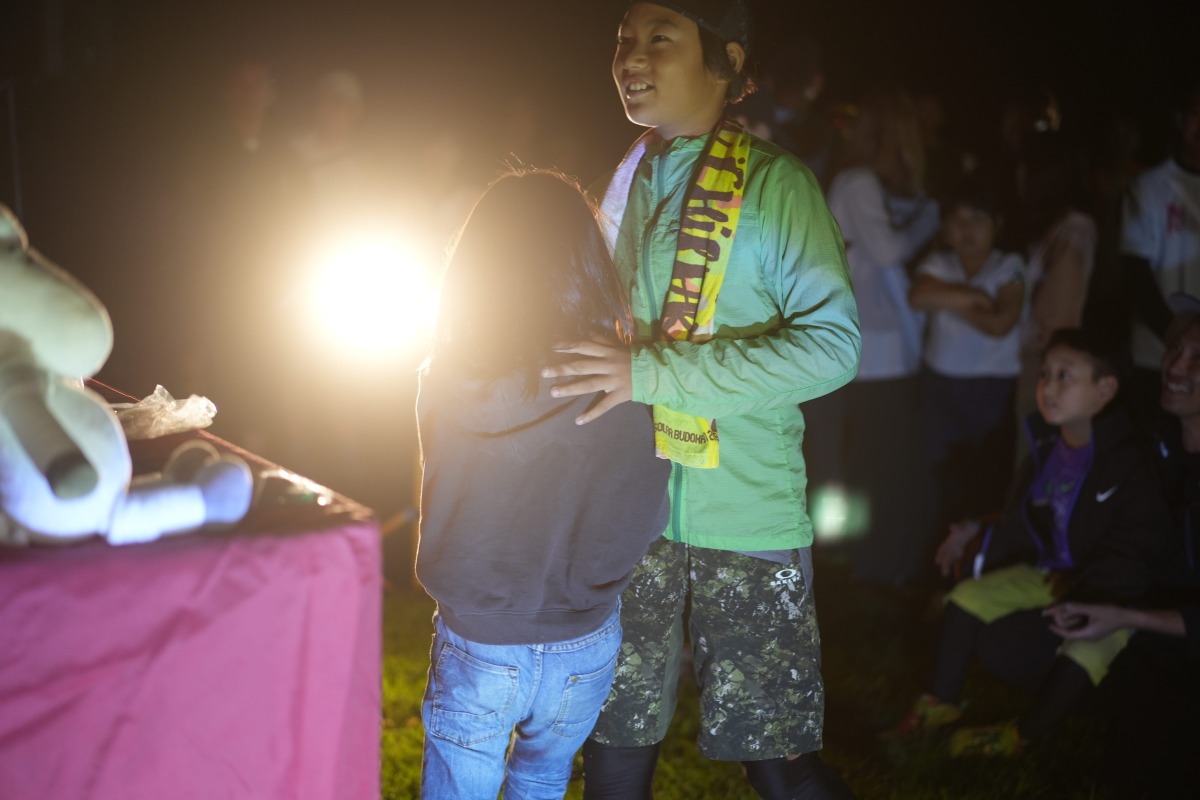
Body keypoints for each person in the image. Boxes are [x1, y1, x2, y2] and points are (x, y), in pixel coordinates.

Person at [541, 2, 861, 797]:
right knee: (612, 747)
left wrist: (650, 374)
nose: (630, 56)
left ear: (728, 60)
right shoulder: (620, 186)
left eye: (659, 38)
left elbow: (833, 346)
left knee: (777, 760)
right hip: (628, 518)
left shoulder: (777, 185)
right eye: (623, 39)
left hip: (747, 514)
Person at [414, 169, 671, 800]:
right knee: (543, 780)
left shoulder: (446, 377)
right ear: (587, 262)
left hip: (479, 636)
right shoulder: (630, 381)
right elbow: (648, 511)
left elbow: (447, 488)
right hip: (585, 637)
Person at [888, 328, 1170, 756]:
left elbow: (1137, 543)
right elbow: (1023, 520)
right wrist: (979, 531)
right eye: (1044, 375)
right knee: (965, 598)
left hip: (1110, 593)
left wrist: (1091, 590)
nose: (1048, 388)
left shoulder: (1128, 459)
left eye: (1064, 376)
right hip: (1051, 574)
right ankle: (939, 706)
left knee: (1088, 647)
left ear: (1105, 389)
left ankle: (1024, 736)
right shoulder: (1046, 445)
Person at [1044, 294, 1200, 797]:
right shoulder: (1152, 440)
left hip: (1173, 639)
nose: (1175, 365)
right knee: (1011, 640)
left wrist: (1125, 616)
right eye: (1175, 348)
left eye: (1197, 358)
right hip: (1144, 630)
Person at [816, 85, 941, 587]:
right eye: (914, 132)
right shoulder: (858, 181)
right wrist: (931, 215)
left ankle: (861, 564)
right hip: (870, 350)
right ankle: (862, 565)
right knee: (865, 463)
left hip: (877, 350)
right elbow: (889, 251)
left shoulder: (867, 185)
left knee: (867, 463)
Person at [909, 177, 1025, 557]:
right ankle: (937, 566)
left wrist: (951, 300)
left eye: (977, 219)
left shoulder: (1009, 265)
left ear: (997, 224)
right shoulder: (938, 263)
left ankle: (979, 563)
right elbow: (918, 295)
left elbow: (1001, 322)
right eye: (958, 221)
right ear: (945, 228)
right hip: (941, 386)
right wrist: (976, 297)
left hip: (993, 388)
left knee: (987, 480)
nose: (967, 230)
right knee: (940, 480)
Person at [1119, 78, 1200, 421]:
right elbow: (1135, 272)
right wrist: (1175, 338)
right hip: (1157, 358)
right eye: (1197, 115)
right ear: (1180, 120)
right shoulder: (1149, 186)